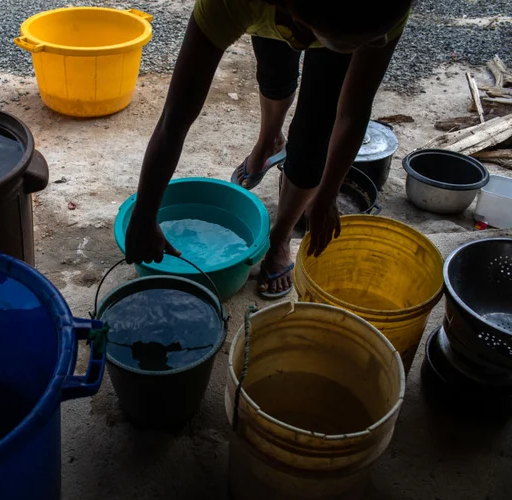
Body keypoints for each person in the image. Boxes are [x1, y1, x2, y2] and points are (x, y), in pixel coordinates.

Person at [124, 0, 412, 298]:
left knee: (316, 123)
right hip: (286, 14)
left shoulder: (384, 12)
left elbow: (352, 113)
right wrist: (144, 214)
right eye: (364, 40)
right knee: (274, 73)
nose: (380, 42)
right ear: (302, 28)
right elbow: (174, 118)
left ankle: (281, 237)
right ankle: (270, 141)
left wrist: (327, 195)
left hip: (328, 20)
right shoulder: (229, 5)